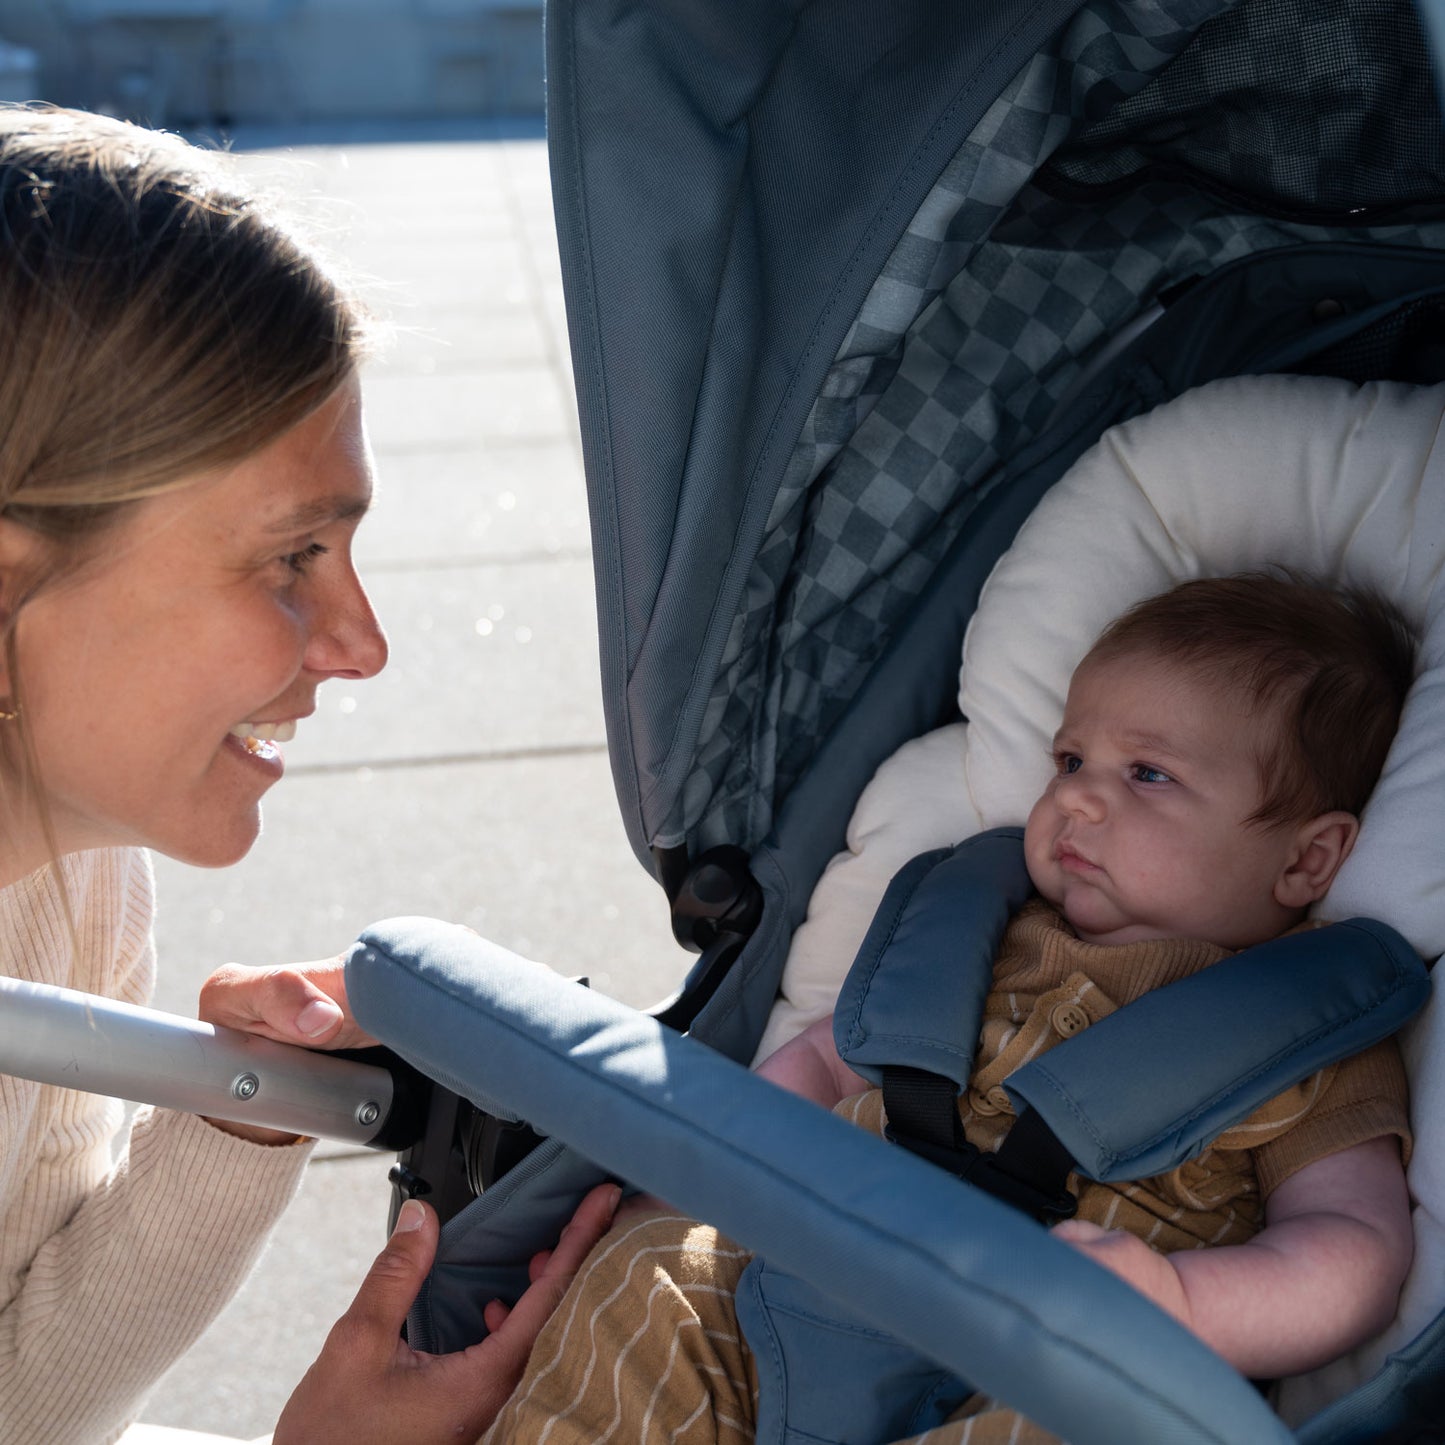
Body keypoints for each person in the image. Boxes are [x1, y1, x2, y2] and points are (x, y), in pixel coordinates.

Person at [448, 572, 1417, 1445]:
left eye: (1146, 773)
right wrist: (704, 1187)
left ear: (1304, 858)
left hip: (1048, 1353)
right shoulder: (980, 932)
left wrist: (1179, 1301)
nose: (1075, 799)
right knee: (645, 1273)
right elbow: (829, 1061)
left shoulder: (1304, 1041)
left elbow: (1352, 1248)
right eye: (1068, 758)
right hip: (812, 1281)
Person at [0, 104, 621, 1445]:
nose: (364, 644)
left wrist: (240, 1115)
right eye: (292, 559)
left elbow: (26, 1399)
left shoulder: (65, 860)